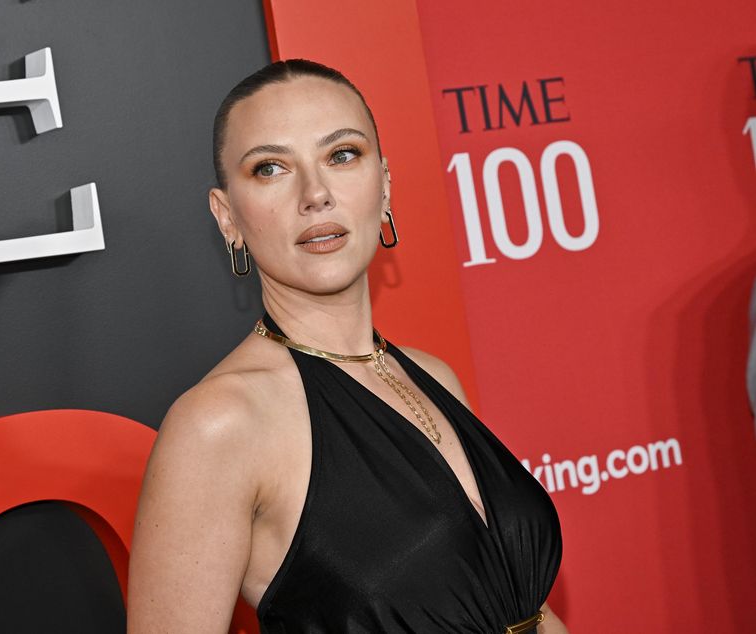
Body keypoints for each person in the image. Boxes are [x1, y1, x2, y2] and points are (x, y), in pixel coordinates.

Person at [127, 59, 566, 634]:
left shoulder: (433, 376)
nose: (315, 194)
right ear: (227, 216)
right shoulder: (219, 424)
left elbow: (528, 612)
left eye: (341, 155)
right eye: (270, 168)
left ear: (384, 185)